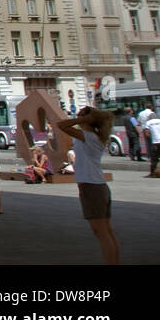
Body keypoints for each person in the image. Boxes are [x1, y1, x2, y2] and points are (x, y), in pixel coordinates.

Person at [56, 107, 120, 264]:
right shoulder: (93, 136)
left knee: (101, 232)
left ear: (87, 119)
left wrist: (82, 120)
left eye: (80, 115)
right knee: (106, 231)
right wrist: (84, 119)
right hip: (97, 186)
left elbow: (61, 125)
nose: (76, 117)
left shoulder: (88, 136)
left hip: (92, 187)